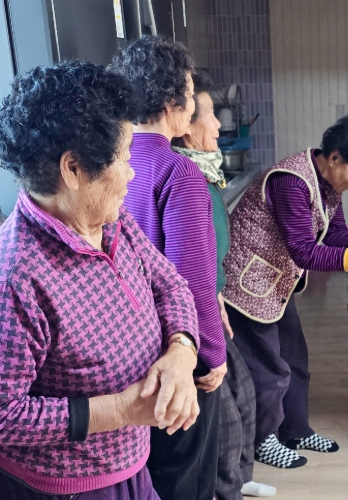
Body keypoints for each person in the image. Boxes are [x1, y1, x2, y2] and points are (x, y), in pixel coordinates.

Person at [0, 61, 200, 499]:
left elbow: (170, 284)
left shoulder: (112, 219)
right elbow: (4, 415)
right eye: (124, 158)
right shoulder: (16, 276)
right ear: (73, 169)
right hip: (68, 487)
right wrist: (122, 410)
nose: (131, 172)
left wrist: (181, 352)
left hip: (131, 464)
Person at [222, 115, 348, 469]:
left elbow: (335, 233)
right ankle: (263, 441)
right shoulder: (291, 181)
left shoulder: (329, 183)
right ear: (335, 158)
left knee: (295, 360)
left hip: (274, 286)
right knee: (268, 369)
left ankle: (296, 430)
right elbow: (304, 251)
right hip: (247, 287)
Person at [111, 36, 226, 500]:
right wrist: (210, 354)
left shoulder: (109, 164)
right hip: (174, 355)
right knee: (185, 476)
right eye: (190, 91)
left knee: (146, 475)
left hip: (123, 353)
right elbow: (192, 278)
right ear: (170, 101)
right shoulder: (178, 172)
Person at [172, 72, 276, 499]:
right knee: (227, 421)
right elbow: (183, 263)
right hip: (190, 318)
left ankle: (240, 479)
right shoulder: (183, 177)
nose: (218, 126)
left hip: (211, 304)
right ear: (185, 125)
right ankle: (226, 488)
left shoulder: (205, 172)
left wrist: (216, 295)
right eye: (210, 116)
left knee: (245, 394)